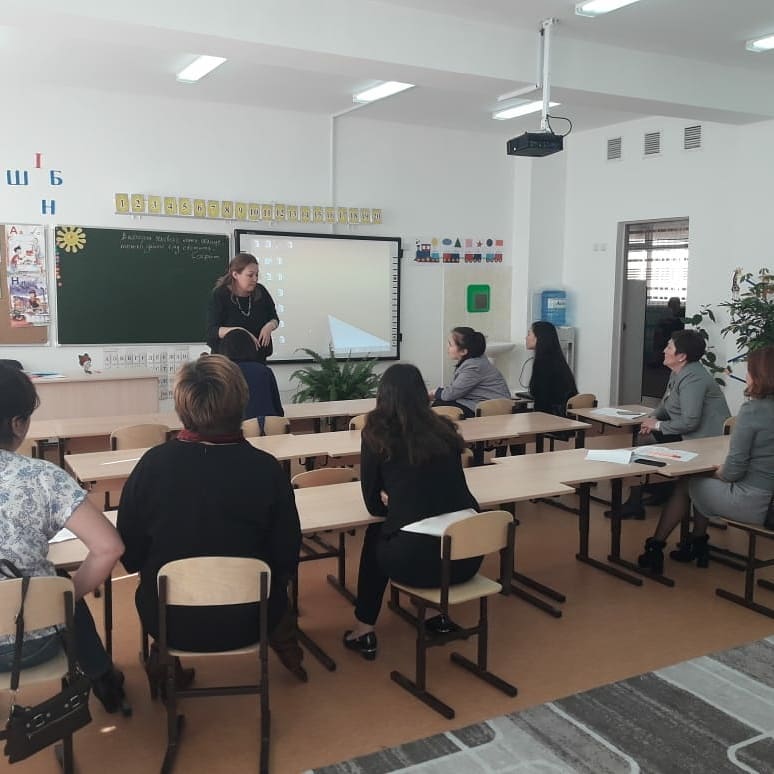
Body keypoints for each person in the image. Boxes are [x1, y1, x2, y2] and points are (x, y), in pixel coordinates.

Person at [117, 355, 305, 686]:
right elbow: (287, 554)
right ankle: (285, 640)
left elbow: (130, 554)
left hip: (169, 619)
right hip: (253, 616)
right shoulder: (266, 470)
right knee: (275, 583)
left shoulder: (152, 466)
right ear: (241, 403)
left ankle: (164, 659)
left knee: (153, 584)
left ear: (181, 406)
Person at [0, 364, 127, 712]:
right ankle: (102, 677)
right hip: (33, 639)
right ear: (16, 424)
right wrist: (61, 598)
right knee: (57, 584)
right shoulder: (42, 477)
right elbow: (109, 547)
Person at [344, 364, 482, 660]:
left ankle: (363, 629)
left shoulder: (376, 433)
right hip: (468, 556)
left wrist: (394, 499)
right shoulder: (445, 429)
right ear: (423, 394)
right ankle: (435, 615)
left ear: (383, 395)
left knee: (376, 534)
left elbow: (373, 505)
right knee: (419, 527)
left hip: (417, 562)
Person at [638, 346, 774, 573]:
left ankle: (656, 547)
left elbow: (732, 473)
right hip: (770, 501)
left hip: (754, 503)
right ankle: (696, 543)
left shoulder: (753, 411)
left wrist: (715, 471)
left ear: (760, 375)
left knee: (688, 482)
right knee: (700, 478)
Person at [614, 329, 731, 519]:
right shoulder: (678, 372)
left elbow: (690, 422)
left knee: (643, 445)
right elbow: (665, 404)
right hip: (688, 434)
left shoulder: (693, 378)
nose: (664, 350)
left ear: (682, 356)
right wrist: (649, 420)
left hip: (703, 440)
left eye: (669, 347)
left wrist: (657, 426)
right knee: (643, 437)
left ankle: (643, 496)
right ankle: (650, 493)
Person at [206, 253, 279, 362]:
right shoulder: (220, 295)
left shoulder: (261, 291)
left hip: (257, 360)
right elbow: (212, 331)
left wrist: (270, 325)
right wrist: (239, 331)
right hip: (227, 363)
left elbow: (274, 318)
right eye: (250, 275)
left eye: (257, 275)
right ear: (235, 275)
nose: (255, 279)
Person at [430, 327, 511, 418]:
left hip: (490, 408)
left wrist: (434, 392)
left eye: (450, 344)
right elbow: (456, 390)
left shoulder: (473, 367)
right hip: (483, 404)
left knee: (441, 406)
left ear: (464, 351)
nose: (447, 347)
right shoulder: (476, 362)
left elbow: (451, 393)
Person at [220, 328, 284, 429]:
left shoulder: (222, 373)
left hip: (237, 431)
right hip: (271, 428)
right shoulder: (264, 371)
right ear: (251, 347)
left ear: (224, 348)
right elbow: (279, 410)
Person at [525, 321, 578, 415]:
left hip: (551, 418)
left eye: (529, 334)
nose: (526, 338)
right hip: (566, 417)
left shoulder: (542, 364)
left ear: (538, 338)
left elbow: (539, 396)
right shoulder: (559, 360)